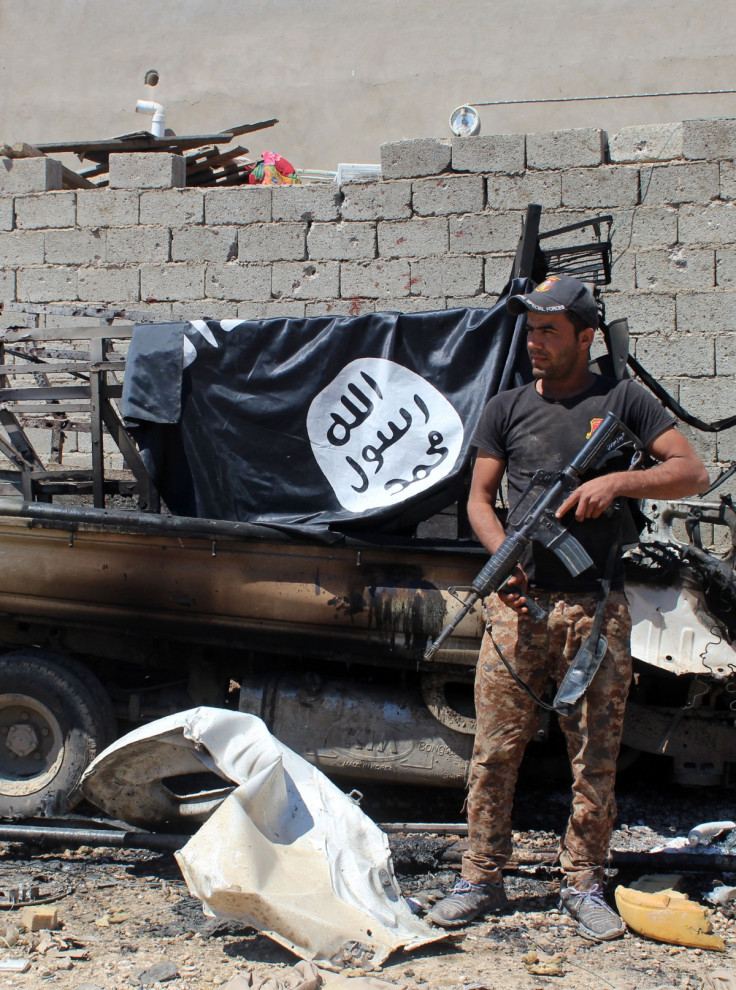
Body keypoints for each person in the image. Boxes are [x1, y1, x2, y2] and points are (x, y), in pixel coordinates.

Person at [427, 273, 709, 941]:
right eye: (531, 330)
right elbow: (478, 499)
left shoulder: (624, 401)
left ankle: (583, 881)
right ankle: (481, 877)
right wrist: (505, 561)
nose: (536, 343)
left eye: (550, 331)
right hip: (518, 612)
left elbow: (690, 472)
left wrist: (617, 480)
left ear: (586, 337)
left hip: (596, 609)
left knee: (596, 755)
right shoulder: (506, 407)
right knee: (494, 751)